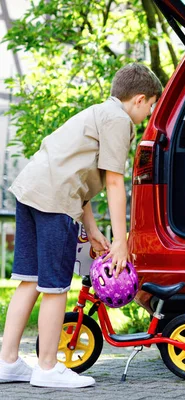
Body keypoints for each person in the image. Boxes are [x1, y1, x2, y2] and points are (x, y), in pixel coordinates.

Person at [0, 63, 163, 387]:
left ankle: (7, 362)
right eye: (151, 107)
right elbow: (115, 182)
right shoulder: (119, 120)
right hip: (54, 201)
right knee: (56, 286)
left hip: (31, 190)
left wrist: (96, 231)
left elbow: (83, 184)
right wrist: (120, 240)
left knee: (30, 281)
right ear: (140, 99)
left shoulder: (97, 113)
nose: (147, 115)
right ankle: (47, 367)